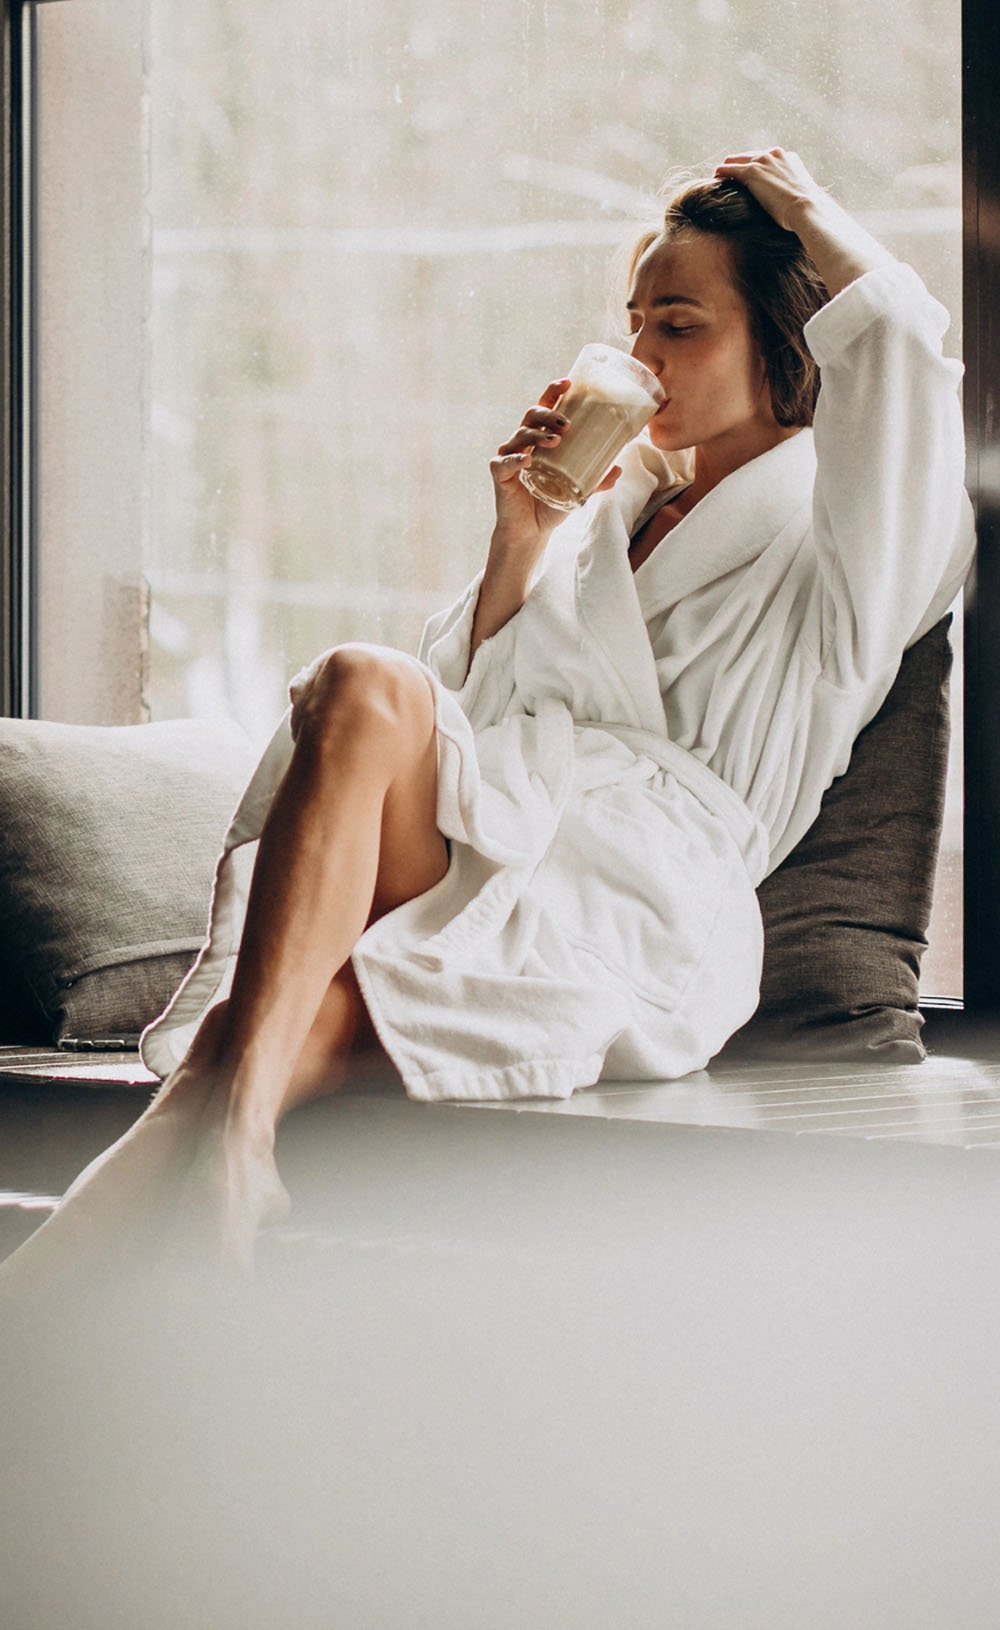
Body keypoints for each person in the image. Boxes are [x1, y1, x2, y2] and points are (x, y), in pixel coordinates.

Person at [0, 147, 975, 1281]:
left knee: (244, 1040)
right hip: (497, 825)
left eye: (679, 327)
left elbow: (901, 361)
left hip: (636, 895)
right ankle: (233, 1153)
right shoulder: (605, 517)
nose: (643, 358)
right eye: (634, 325)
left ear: (789, 339)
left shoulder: (846, 548)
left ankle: (198, 1164)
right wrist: (521, 537)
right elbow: (462, 715)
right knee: (361, 679)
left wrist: (803, 207)